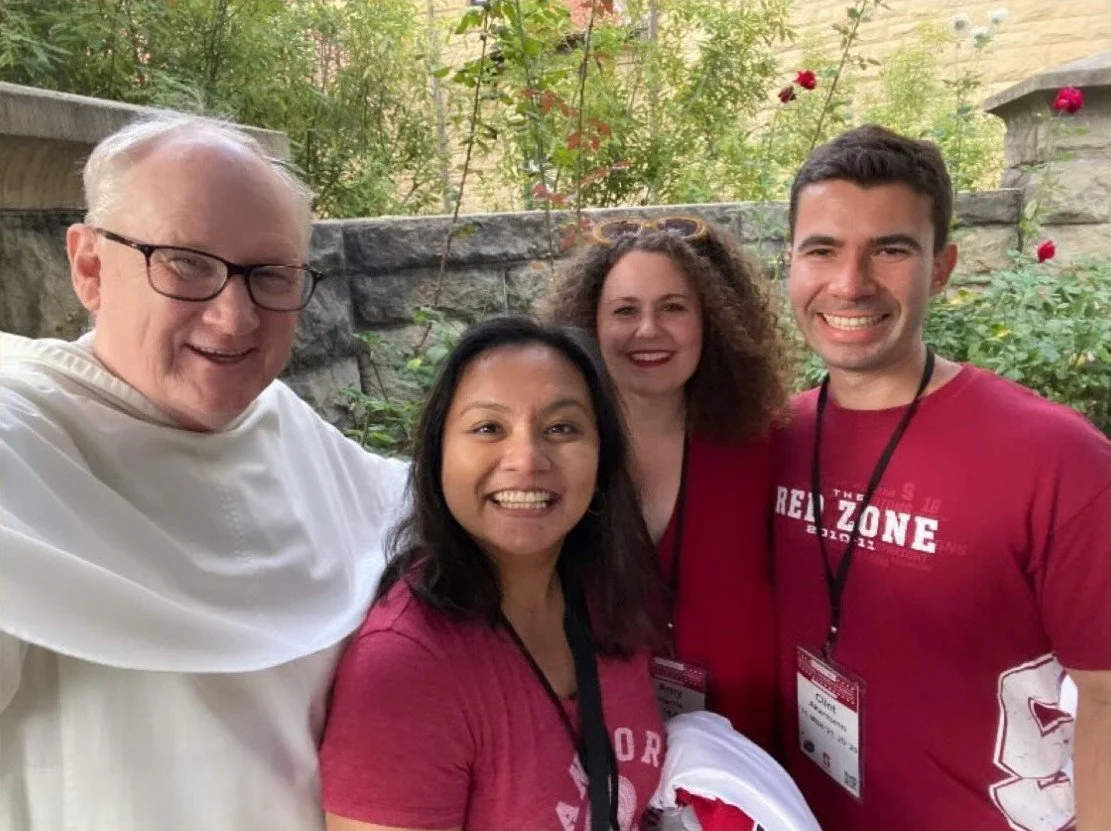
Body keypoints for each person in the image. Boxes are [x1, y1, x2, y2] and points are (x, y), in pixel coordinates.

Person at [0, 115, 408, 830]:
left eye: (270, 275)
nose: (233, 318)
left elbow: (420, 505)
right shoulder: (20, 446)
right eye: (186, 262)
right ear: (90, 266)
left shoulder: (284, 421)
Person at [774, 124, 1111, 831]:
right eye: (822, 250)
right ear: (790, 266)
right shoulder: (774, 437)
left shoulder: (1054, 459)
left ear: (941, 267)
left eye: (889, 249)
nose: (850, 283)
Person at [319, 316, 665, 831]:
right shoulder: (407, 669)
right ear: (437, 455)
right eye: (488, 428)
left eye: (562, 428)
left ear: (602, 457)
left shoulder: (604, 598)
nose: (526, 460)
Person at [542, 216, 788, 750]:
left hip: (748, 754)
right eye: (625, 310)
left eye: (673, 307)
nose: (648, 330)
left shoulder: (770, 447)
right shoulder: (554, 456)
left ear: (713, 322)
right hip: (603, 751)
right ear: (589, 325)